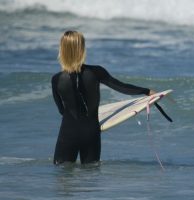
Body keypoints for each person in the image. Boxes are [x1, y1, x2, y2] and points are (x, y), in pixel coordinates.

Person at [51, 30, 155, 165]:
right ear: (81, 49)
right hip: (91, 132)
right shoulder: (96, 72)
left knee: (63, 176)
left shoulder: (56, 79)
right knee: (90, 175)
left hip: (68, 133)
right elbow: (121, 87)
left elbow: (61, 110)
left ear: (62, 50)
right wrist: (147, 91)